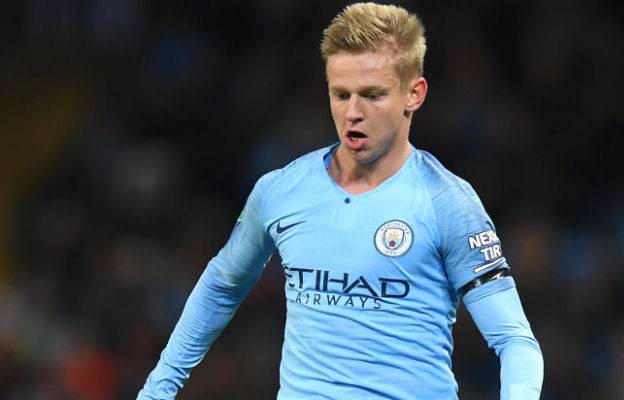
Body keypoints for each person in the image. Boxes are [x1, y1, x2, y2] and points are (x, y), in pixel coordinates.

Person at [137, 3, 544, 399]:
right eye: (341, 94)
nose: (353, 112)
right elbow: (221, 286)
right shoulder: (281, 191)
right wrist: (157, 391)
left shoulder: (448, 203)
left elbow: (514, 340)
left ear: (413, 94)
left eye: (372, 95)